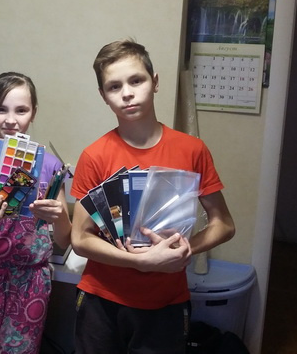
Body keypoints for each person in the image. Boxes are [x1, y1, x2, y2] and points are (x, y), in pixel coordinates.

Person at [70, 39, 236, 354]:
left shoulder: (192, 150)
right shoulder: (95, 156)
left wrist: (185, 250)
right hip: (101, 300)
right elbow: (80, 238)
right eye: (114, 86)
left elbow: (224, 224)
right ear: (104, 96)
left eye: (136, 80)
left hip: (166, 303)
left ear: (155, 82)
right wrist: (139, 261)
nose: (127, 93)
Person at [0, 71, 72, 354]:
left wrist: (59, 215)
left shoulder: (50, 165)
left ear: (33, 113)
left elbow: (65, 239)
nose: (11, 120)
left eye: (21, 110)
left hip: (29, 282)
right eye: (1, 109)